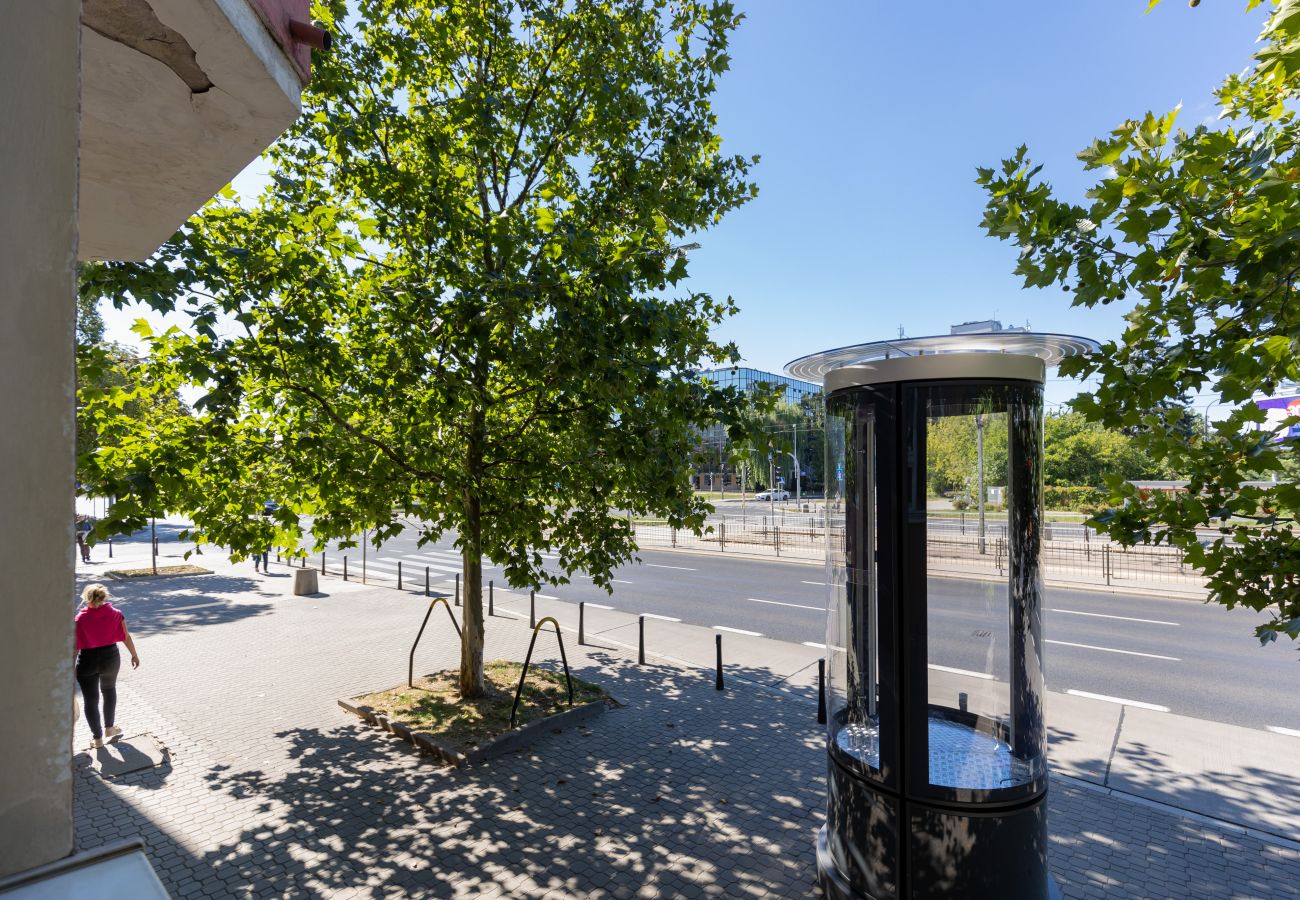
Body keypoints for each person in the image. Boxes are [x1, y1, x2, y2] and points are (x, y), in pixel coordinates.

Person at [74, 583, 140, 749]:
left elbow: (74, 647)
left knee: (91, 699)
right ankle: (109, 728)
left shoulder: (79, 619)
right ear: (104, 597)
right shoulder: (116, 614)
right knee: (109, 690)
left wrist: (70, 667)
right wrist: (134, 654)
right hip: (111, 657)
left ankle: (97, 739)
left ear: (85, 599)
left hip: (87, 660)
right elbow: (126, 636)